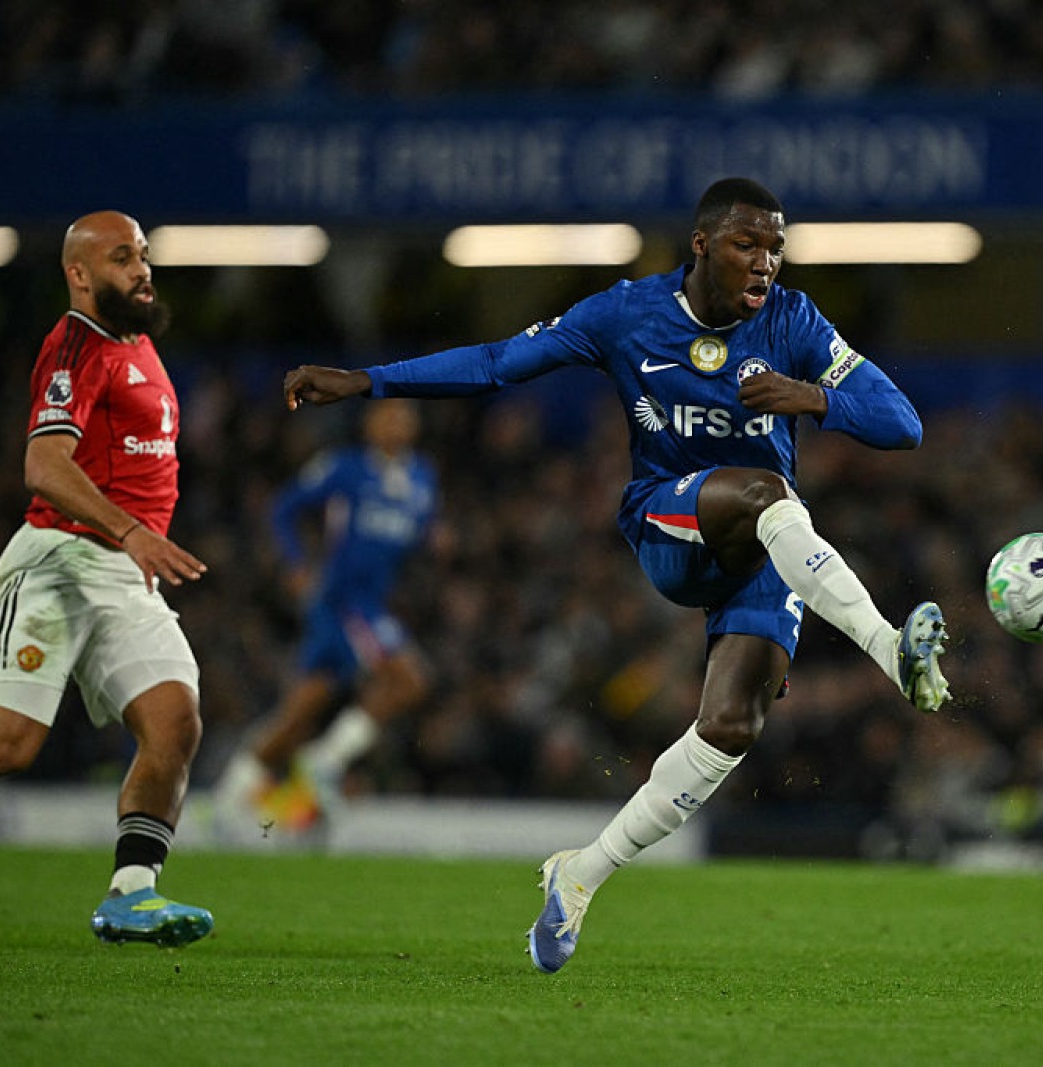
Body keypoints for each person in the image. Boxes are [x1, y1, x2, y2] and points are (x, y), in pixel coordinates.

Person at [281, 177, 951, 973]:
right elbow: (498, 363)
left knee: (732, 726)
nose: (765, 262)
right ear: (700, 245)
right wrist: (369, 381)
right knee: (769, 491)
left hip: (767, 548)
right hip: (669, 522)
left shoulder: (795, 322)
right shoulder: (626, 314)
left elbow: (903, 424)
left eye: (776, 247)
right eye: (747, 244)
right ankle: (888, 650)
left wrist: (813, 397)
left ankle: (580, 874)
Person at [0, 211, 214, 948]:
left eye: (143, 255)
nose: (141, 269)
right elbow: (44, 465)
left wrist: (134, 541)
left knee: (174, 720)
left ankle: (130, 893)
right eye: (122, 259)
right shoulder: (75, 344)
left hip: (123, 572)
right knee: (0, 750)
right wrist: (134, 529)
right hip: (59, 563)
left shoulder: (136, 342)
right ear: (79, 274)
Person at [214, 399, 438, 839]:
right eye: (385, 414)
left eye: (402, 415)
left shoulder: (422, 479)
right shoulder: (345, 468)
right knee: (410, 678)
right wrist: (296, 564)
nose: (394, 422)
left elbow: (416, 537)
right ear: (369, 424)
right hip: (342, 600)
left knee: (302, 708)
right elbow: (283, 507)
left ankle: (227, 798)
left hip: (372, 600)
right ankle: (325, 763)